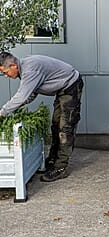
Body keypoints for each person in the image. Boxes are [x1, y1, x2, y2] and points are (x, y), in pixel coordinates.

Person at [0, 52, 84, 182]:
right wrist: (20, 105)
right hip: (61, 89)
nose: (5, 76)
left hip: (70, 85)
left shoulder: (30, 69)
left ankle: (60, 167)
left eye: (5, 72)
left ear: (13, 66)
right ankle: (53, 158)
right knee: (56, 124)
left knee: (66, 127)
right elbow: (30, 93)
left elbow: (22, 95)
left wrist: (2, 112)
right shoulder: (25, 70)